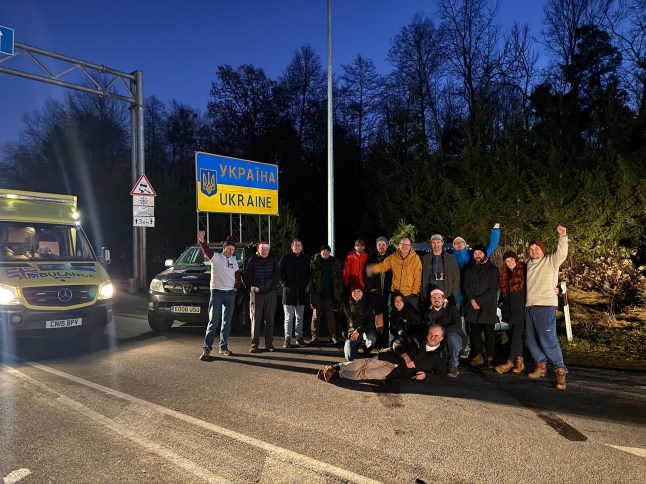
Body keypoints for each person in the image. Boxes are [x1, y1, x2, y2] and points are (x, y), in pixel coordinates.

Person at [317, 324, 448, 382]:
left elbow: (443, 376)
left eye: (436, 336)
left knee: (364, 374)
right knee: (364, 363)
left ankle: (336, 375)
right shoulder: (416, 338)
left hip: (395, 372)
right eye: (431, 334)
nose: (432, 338)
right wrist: (406, 357)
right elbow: (397, 343)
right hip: (388, 357)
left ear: (441, 338)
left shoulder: (439, 356)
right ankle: (333, 368)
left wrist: (427, 376)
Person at [525, 226, 569, 390]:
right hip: (530, 306)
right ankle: (541, 367)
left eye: (536, 248)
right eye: (531, 249)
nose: (534, 251)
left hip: (545, 306)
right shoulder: (529, 263)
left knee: (548, 340)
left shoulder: (551, 260)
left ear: (542, 250)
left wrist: (563, 236)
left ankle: (560, 370)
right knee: (532, 340)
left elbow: (561, 254)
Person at [451, 223, 501, 358]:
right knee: (460, 322)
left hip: (472, 294)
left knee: (475, 323)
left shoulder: (472, 255)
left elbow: (491, 247)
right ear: (453, 246)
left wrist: (495, 231)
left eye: (461, 242)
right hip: (458, 295)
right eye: (456, 243)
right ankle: (465, 346)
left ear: (465, 244)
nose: (459, 245)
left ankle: (482, 350)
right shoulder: (450, 257)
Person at [198, 232, 240, 360]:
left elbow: (237, 276)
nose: (231, 251)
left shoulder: (234, 261)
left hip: (230, 294)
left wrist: (235, 288)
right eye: (229, 248)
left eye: (233, 249)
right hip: (217, 292)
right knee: (214, 321)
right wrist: (202, 241)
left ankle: (223, 347)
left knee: (227, 323)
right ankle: (207, 348)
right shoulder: (216, 257)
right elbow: (207, 251)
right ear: (224, 248)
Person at [462, 244, 500, 367]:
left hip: (487, 305)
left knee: (489, 333)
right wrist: (472, 300)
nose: (478, 256)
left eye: (480, 253)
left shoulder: (493, 269)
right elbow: (465, 286)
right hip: (472, 305)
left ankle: (490, 357)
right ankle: (478, 355)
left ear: (485, 254)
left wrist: (479, 301)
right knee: (475, 332)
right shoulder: (468, 268)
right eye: (475, 253)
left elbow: (493, 289)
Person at [242, 240, 279, 353]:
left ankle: (269, 344)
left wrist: (271, 287)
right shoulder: (252, 260)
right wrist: (252, 287)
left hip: (270, 294)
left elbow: (277, 276)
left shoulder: (273, 260)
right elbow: (246, 276)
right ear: (258, 249)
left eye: (267, 250)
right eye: (263, 249)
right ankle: (254, 344)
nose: (265, 252)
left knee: (270, 320)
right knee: (255, 319)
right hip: (256, 294)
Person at [366, 237, 422, 311]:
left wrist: (415, 292)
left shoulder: (415, 259)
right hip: (395, 291)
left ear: (410, 246)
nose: (405, 246)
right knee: (392, 312)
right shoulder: (393, 257)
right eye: (403, 244)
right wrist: (372, 269)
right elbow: (383, 266)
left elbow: (417, 277)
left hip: (409, 294)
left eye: (407, 245)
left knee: (412, 314)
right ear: (399, 245)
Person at [422, 289, 467, 377]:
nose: (436, 299)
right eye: (434, 297)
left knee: (452, 336)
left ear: (443, 299)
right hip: (438, 340)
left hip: (454, 338)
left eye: (439, 297)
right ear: (431, 299)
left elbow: (457, 326)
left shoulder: (452, 309)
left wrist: (441, 331)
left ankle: (454, 364)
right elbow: (425, 327)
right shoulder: (428, 312)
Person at [495, 251, 526, 374]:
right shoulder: (505, 274)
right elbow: (504, 293)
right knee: (514, 335)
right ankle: (520, 362)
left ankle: (510, 361)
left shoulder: (524, 271)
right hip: (509, 309)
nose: (509, 263)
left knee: (516, 334)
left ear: (516, 260)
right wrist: (501, 302)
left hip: (520, 308)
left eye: (511, 260)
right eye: (507, 261)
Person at [308, 244, 344, 344]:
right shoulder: (314, 263)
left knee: (331, 317)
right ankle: (314, 337)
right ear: (320, 252)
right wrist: (311, 291)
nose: (325, 252)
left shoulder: (335, 263)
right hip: (317, 295)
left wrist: (339, 291)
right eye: (323, 251)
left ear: (330, 252)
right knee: (315, 318)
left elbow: (340, 278)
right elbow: (310, 279)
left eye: (327, 251)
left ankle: (333, 336)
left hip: (330, 295)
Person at [279, 238, 311, 348]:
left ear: (302, 247)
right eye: (295, 245)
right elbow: (279, 273)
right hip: (288, 293)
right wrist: (284, 284)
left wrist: (304, 284)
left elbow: (308, 274)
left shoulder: (305, 259)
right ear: (292, 247)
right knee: (288, 318)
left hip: (301, 293)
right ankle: (287, 339)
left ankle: (299, 338)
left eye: (299, 245)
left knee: (300, 318)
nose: (297, 247)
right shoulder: (286, 258)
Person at [363, 236, 393, 346]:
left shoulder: (392, 257)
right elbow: (366, 274)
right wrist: (370, 288)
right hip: (376, 292)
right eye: (379, 244)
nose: (381, 246)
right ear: (376, 246)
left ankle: (389, 339)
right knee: (378, 316)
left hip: (389, 291)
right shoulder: (371, 258)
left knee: (389, 315)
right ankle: (380, 340)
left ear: (387, 245)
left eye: (383, 244)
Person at [421, 234, 460, 307]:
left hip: (446, 295)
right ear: (430, 243)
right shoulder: (425, 259)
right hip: (429, 295)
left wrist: (452, 294)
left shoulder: (450, 258)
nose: (436, 245)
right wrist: (423, 294)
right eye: (433, 242)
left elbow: (456, 278)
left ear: (442, 243)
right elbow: (421, 276)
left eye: (438, 242)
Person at [340, 285, 377, 361]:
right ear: (351, 292)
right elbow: (340, 319)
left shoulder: (369, 303)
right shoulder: (345, 303)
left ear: (362, 293)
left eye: (359, 291)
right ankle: (355, 346)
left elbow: (371, 322)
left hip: (365, 330)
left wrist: (358, 331)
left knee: (372, 338)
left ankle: (366, 351)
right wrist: (344, 332)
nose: (356, 293)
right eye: (354, 291)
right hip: (351, 331)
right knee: (349, 357)